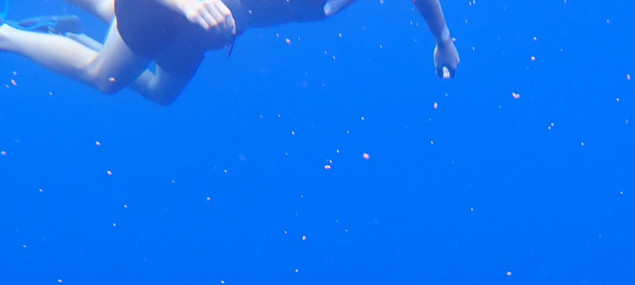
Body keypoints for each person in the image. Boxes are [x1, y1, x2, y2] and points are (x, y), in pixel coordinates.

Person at [0, 0, 458, 104]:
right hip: (171, 8)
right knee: (105, 77)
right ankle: (5, 34)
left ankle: (71, 33)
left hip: (201, 31)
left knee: (162, 92)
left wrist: (443, 39)